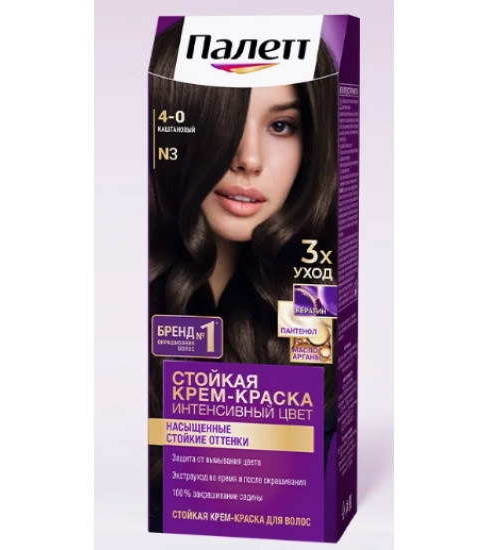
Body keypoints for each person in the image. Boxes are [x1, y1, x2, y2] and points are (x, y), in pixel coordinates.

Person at [147, 21, 339, 531]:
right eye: (223, 121)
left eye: (282, 126)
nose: (248, 160)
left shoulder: (314, 301)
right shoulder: (130, 296)